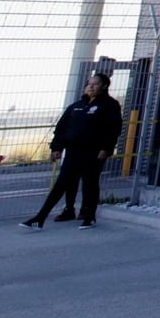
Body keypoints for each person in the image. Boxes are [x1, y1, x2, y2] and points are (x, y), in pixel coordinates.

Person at [21, 71, 123, 229]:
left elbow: (113, 128)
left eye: (95, 84)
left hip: (93, 153)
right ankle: (40, 218)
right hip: (73, 152)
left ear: (104, 86)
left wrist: (106, 148)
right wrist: (56, 147)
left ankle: (89, 216)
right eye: (89, 84)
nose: (90, 87)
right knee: (61, 184)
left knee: (90, 183)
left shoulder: (109, 105)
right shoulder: (76, 106)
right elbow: (61, 128)